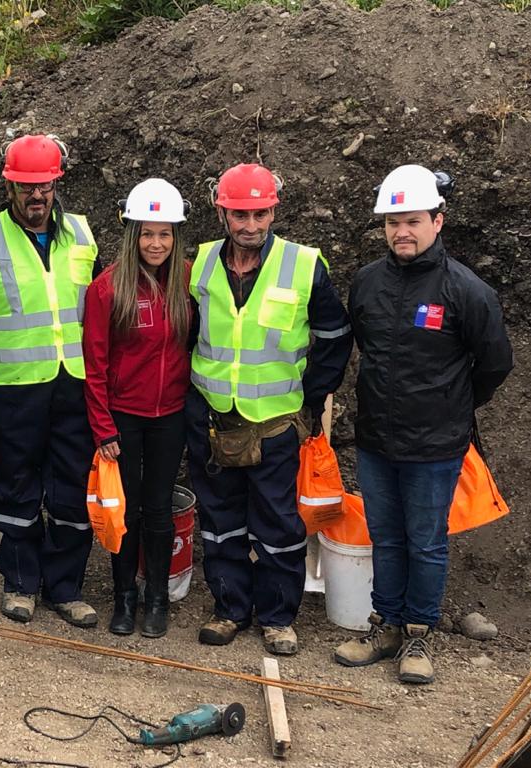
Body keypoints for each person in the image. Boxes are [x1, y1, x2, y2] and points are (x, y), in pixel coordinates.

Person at [334, 164, 513, 684]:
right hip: (376, 438)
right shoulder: (367, 282)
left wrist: (454, 406)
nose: (400, 232)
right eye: (392, 222)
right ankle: (386, 624)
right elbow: (365, 349)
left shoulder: (466, 290)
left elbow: (495, 363)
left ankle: (418, 633)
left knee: (427, 540)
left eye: (411, 220)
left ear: (438, 220)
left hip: (436, 445)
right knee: (386, 537)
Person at [187, 163, 353, 654]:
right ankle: (230, 608)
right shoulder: (197, 264)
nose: (250, 225)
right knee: (220, 522)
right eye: (240, 214)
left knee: (279, 526)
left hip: (278, 424)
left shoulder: (304, 266)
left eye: (259, 213)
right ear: (222, 212)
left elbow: (334, 337)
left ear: (273, 211)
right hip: (214, 420)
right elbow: (182, 334)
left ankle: (278, 616)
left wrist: (313, 399)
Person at [0, 134, 101, 628]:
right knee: (15, 487)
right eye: (24, 187)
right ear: (9, 185)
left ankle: (64, 587)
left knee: (71, 489)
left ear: (57, 182)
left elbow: (98, 311)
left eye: (43, 186)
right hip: (11, 389)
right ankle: (20, 581)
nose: (35, 197)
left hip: (74, 385)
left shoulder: (83, 235)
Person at [82, 178, 192, 638]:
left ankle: (157, 599)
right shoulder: (108, 289)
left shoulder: (189, 278)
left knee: (159, 511)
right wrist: (104, 429)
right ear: (132, 234)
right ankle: (124, 597)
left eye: (165, 233)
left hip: (171, 415)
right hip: (123, 419)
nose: (156, 243)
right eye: (147, 233)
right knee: (123, 511)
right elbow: (95, 365)